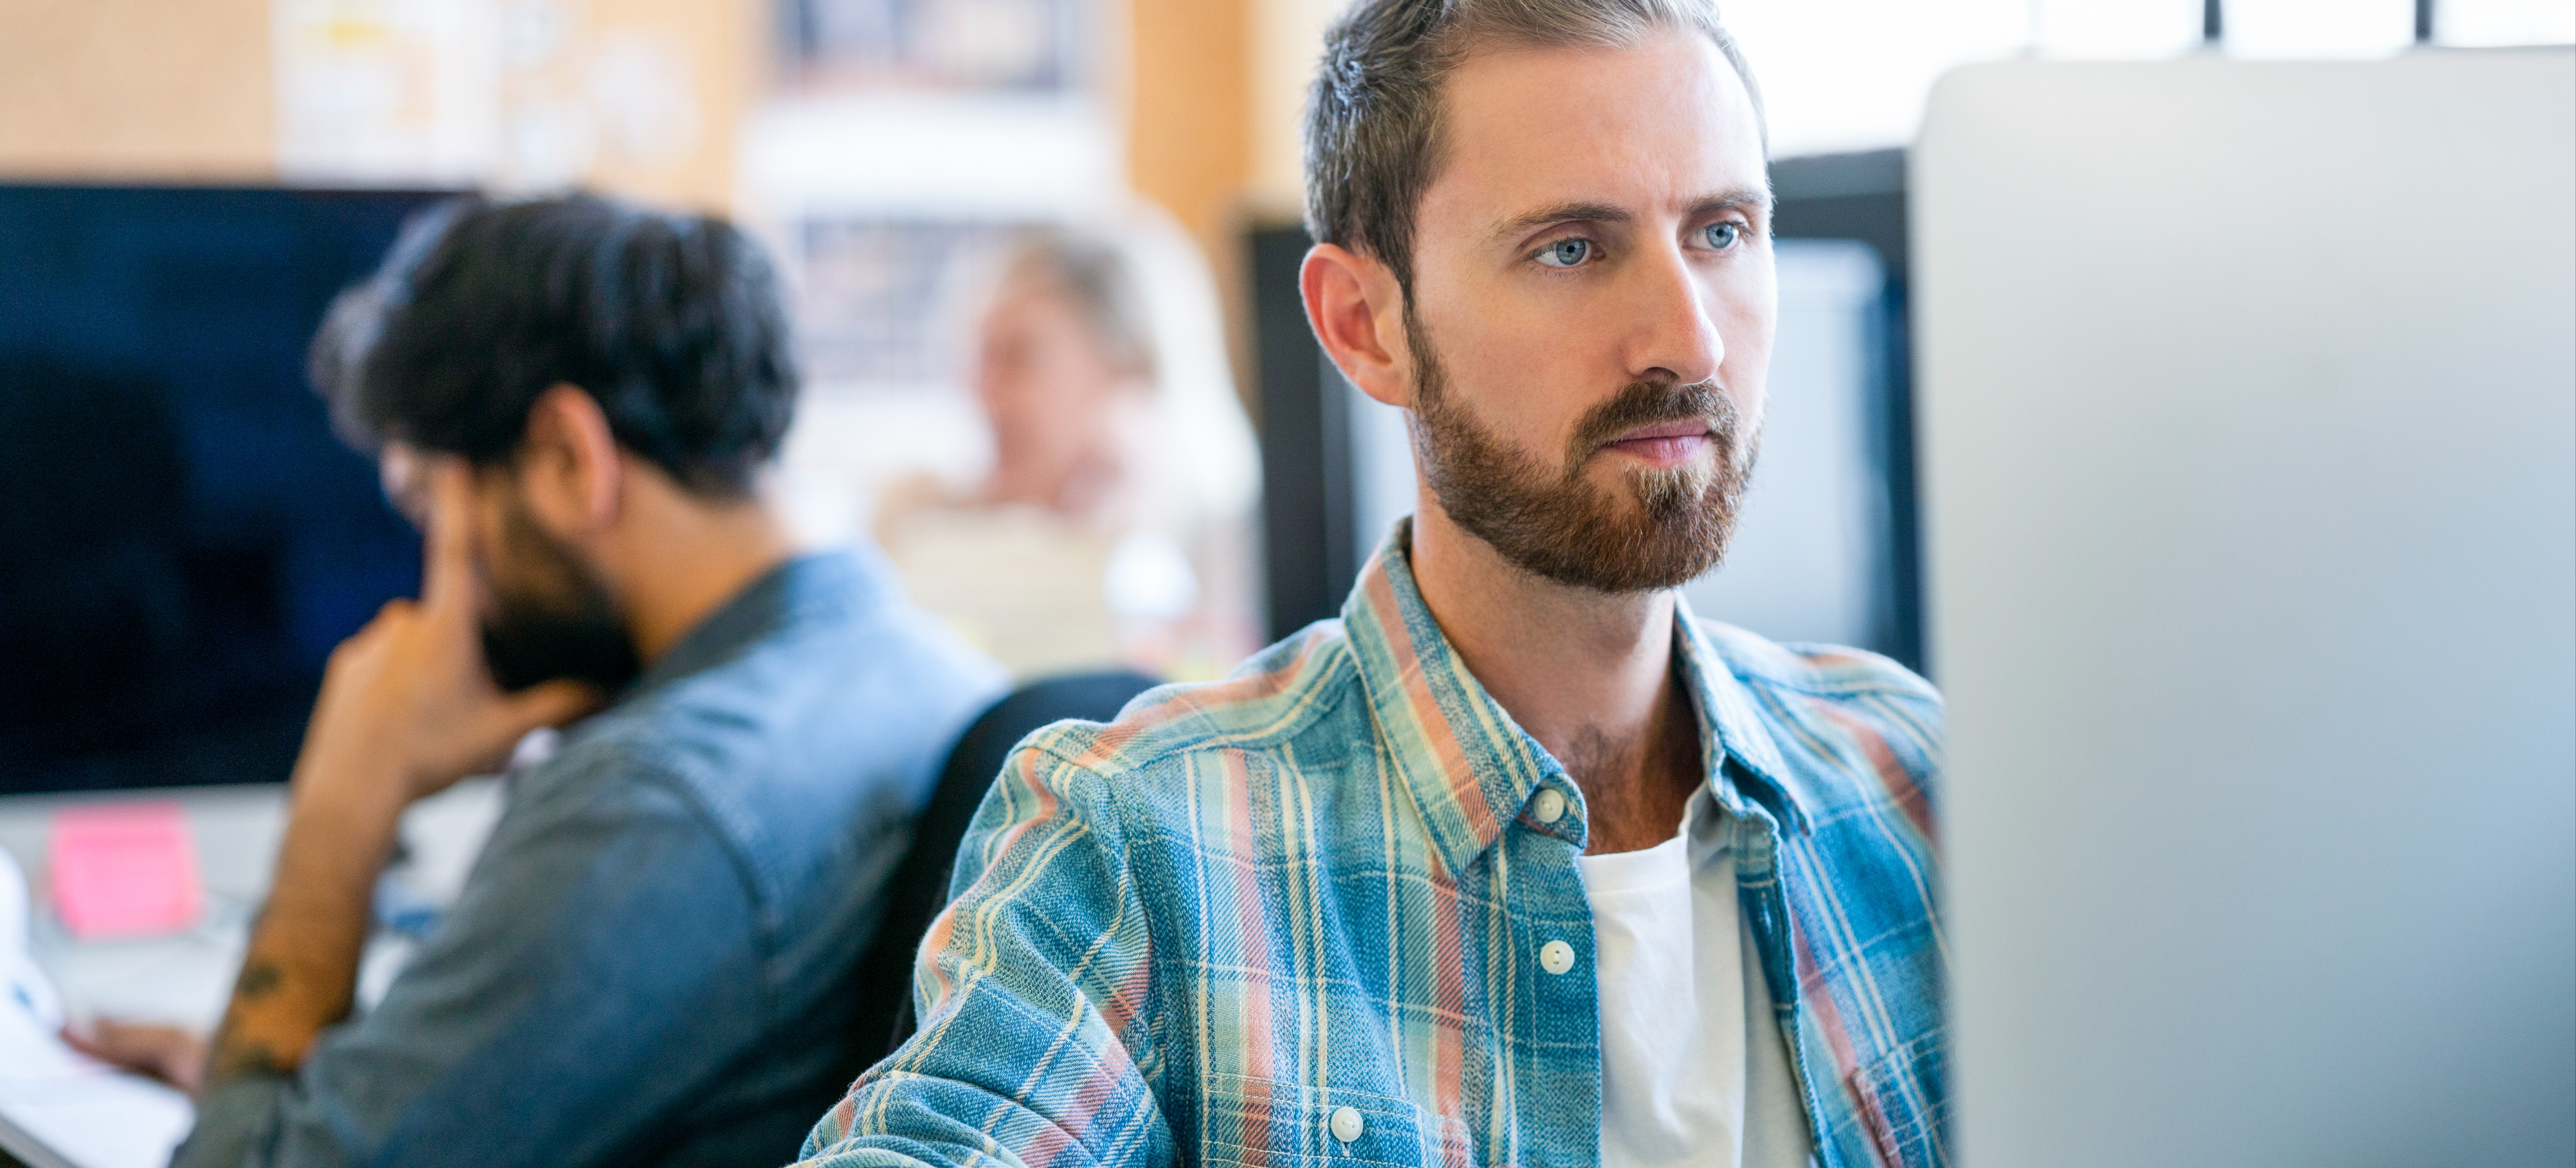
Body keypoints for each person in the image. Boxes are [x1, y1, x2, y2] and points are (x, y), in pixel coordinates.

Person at [794, 1, 1946, 1166]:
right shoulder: (1138, 845)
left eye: (1722, 232)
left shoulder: (1921, 783)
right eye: (1570, 249)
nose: (1690, 343)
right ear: (1363, 327)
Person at [74, 193, 1005, 1166]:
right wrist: (274, 1086)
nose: (430, 583)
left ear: (566, 459)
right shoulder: (922, 666)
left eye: (427, 502)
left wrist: (343, 807)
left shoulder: (656, 799)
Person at [873, 213, 1263, 681]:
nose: (981, 391)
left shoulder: (1225, 548)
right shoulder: (914, 517)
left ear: (1131, 372)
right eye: (980, 356)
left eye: (1018, 358)